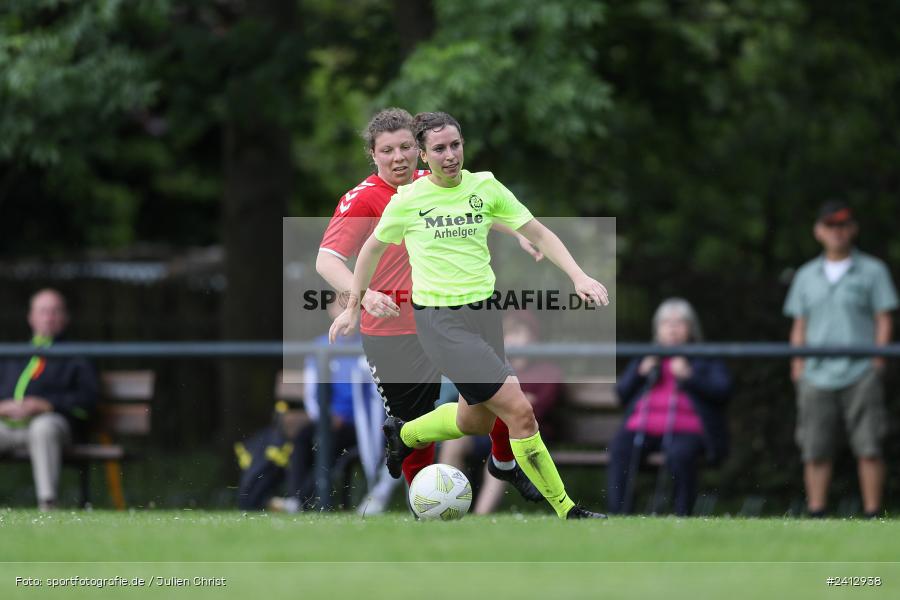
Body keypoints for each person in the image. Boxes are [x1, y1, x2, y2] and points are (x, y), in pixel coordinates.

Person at [330, 111, 610, 519]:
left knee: (475, 419)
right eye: (439, 149)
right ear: (426, 156)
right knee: (519, 409)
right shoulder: (406, 200)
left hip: (484, 313)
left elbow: (539, 232)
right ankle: (567, 509)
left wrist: (578, 275)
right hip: (439, 321)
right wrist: (356, 304)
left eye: (455, 145)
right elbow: (368, 251)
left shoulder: (485, 186)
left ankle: (405, 432)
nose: (449, 155)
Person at [316, 108, 542, 505]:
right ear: (373, 154)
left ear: (419, 149)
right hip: (393, 331)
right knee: (412, 425)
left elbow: (480, 207)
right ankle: (426, 506)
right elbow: (326, 260)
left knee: (502, 391)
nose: (398, 156)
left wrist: (520, 233)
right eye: (387, 150)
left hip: (448, 317)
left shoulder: (433, 180)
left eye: (405, 146)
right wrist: (364, 295)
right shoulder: (363, 199)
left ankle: (504, 463)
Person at [784, 201, 897, 518]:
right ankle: (816, 511)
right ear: (819, 231)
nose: (837, 232)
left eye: (843, 225)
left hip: (861, 370)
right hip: (815, 372)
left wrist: (877, 361)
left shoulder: (873, 270)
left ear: (853, 229)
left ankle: (872, 513)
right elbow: (799, 324)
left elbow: (883, 318)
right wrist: (798, 366)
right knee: (815, 448)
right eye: (831, 226)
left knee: (870, 445)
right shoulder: (806, 275)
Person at [607, 298, 731, 516]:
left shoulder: (704, 356)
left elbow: (723, 391)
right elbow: (621, 394)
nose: (672, 328)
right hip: (642, 428)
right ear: (657, 329)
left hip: (686, 430)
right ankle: (618, 514)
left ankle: (682, 515)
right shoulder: (647, 356)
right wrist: (640, 373)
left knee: (680, 454)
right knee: (620, 448)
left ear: (691, 328)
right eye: (666, 322)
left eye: (679, 322)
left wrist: (690, 377)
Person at [439, 310, 563, 514]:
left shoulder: (546, 371)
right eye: (508, 333)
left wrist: (500, 401)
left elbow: (536, 408)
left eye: (518, 332)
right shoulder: (491, 367)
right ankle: (445, 504)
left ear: (533, 337)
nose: (512, 339)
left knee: (500, 455)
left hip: (521, 439)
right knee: (454, 443)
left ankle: (481, 516)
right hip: (485, 429)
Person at [0, 289, 98, 510]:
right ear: (31, 317)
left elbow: (88, 400)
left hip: (55, 427)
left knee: (43, 428)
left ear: (65, 317)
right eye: (43, 311)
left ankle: (48, 503)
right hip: (8, 427)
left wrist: (47, 405)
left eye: (55, 311)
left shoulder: (77, 356)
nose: (49, 317)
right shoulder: (14, 354)